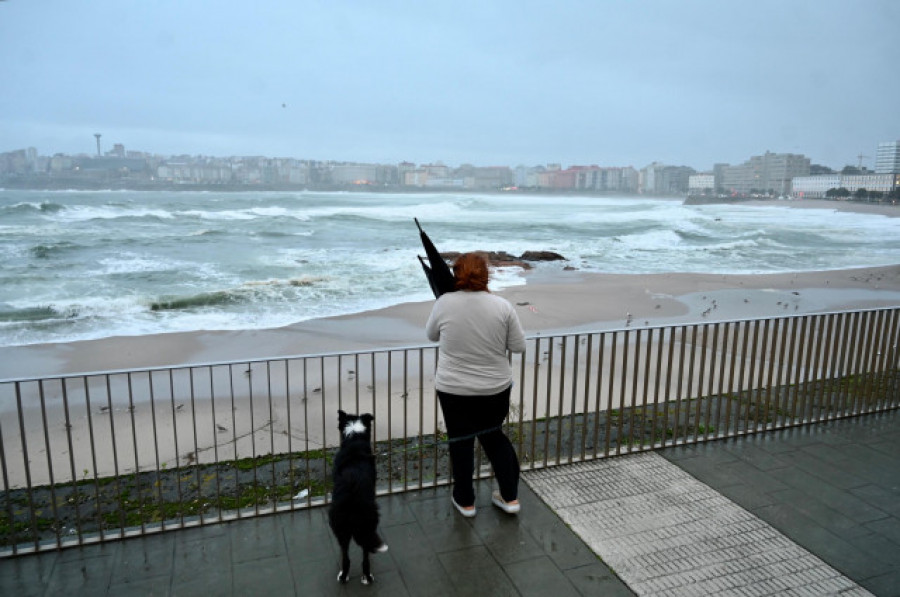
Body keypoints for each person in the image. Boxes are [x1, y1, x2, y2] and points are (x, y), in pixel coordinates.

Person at [425, 252, 527, 517]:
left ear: (457, 273)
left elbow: (431, 335)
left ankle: (466, 501)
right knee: (494, 438)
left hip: (453, 389)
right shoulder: (502, 306)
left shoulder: (444, 302)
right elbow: (518, 346)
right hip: (494, 388)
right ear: (486, 274)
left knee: (461, 442)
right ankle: (510, 498)